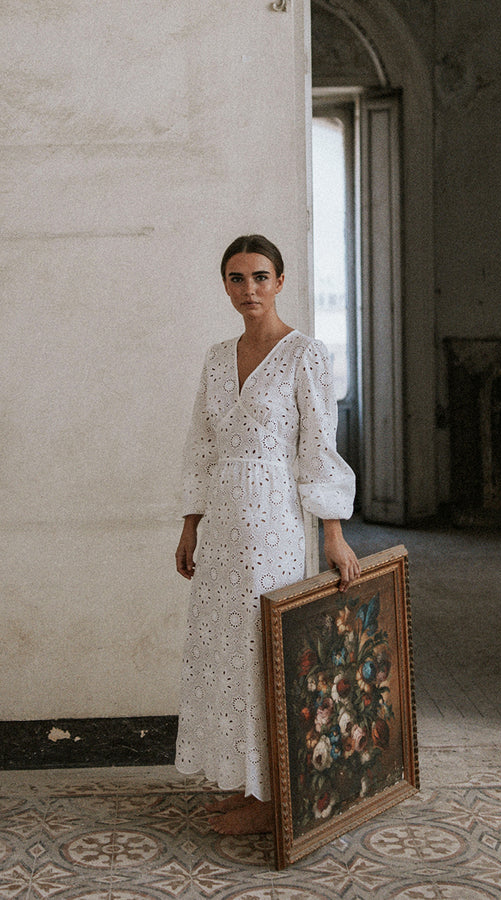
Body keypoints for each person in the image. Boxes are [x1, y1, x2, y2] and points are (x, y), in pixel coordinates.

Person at [175, 234, 360, 835]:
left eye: (260, 277)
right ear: (225, 286)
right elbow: (202, 444)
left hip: (273, 524)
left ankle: (273, 798)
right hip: (222, 525)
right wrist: (190, 525)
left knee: (265, 651)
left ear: (280, 282)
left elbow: (318, 447)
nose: (248, 289)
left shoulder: (305, 354)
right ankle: (245, 782)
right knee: (225, 652)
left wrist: (332, 534)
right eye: (237, 278)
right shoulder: (215, 358)